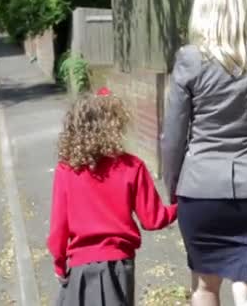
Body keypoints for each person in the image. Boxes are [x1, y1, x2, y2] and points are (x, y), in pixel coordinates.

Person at [161, 0, 247, 306]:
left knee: (204, 287)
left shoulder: (190, 60)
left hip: (201, 191)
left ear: (203, 9)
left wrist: (173, 187)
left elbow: (173, 137)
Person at [47, 87, 177, 306]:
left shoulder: (66, 170)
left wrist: (60, 264)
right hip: (119, 265)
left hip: (81, 265)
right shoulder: (132, 166)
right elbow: (153, 219)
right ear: (114, 126)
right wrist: (181, 203)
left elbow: (59, 227)